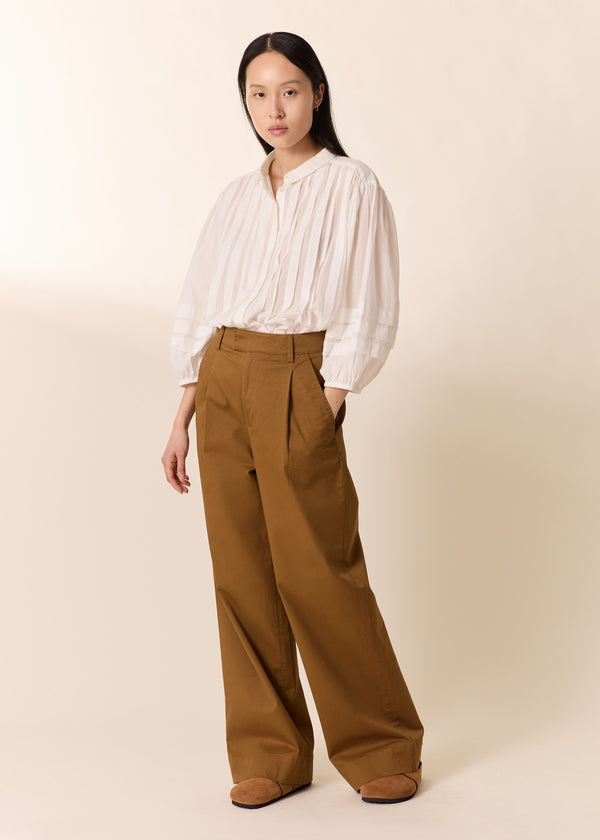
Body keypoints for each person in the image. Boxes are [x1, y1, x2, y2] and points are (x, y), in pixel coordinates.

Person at [161, 31, 425, 809]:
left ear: (317, 95)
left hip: (297, 377)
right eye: (257, 93)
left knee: (320, 571)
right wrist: (183, 413)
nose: (274, 109)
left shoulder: (352, 185)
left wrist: (327, 400)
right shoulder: (236, 197)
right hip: (225, 377)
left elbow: (369, 304)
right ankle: (272, 755)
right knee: (241, 574)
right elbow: (201, 303)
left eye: (289, 91)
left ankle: (382, 743)